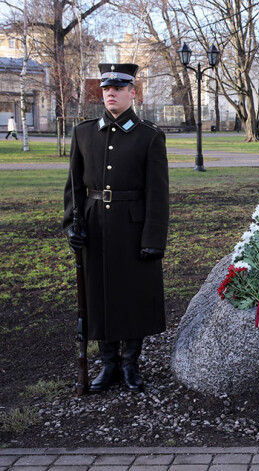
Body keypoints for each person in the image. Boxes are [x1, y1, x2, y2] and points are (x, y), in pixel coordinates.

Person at [63, 63, 169, 393]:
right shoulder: (83, 133)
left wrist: (154, 238)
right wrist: (71, 225)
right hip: (94, 226)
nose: (111, 92)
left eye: (119, 87)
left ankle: (130, 364)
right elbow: (73, 188)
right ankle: (108, 363)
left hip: (133, 227)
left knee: (133, 294)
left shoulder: (149, 136)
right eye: (106, 87)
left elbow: (158, 192)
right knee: (99, 294)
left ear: (132, 92)